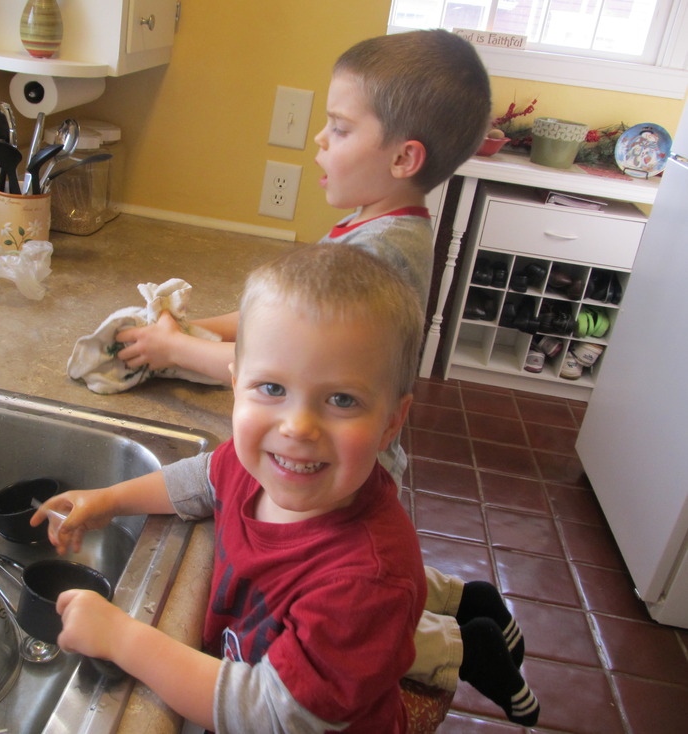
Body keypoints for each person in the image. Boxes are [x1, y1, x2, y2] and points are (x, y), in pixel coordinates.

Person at [108, 29, 539, 727]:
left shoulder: (383, 255)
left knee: (355, 619)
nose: (318, 139)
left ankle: (463, 647)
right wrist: (197, 329)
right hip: (345, 462)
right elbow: (286, 326)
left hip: (347, 469)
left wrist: (178, 350)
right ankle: (468, 602)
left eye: (338, 127)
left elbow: (283, 370)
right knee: (357, 598)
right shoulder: (369, 223)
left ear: (402, 158)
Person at [36, 245, 428, 732]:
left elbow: (273, 715)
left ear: (391, 422)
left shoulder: (365, 582)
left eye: (342, 399)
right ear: (236, 384)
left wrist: (122, 639)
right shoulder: (254, 465)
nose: (297, 427)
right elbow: (202, 478)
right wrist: (110, 501)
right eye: (273, 389)